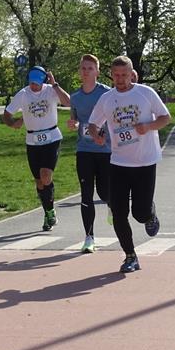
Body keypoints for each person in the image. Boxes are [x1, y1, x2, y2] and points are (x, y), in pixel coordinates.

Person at [88, 56, 171, 274]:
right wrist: (96, 135)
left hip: (145, 161)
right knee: (118, 212)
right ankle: (130, 256)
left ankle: (149, 213)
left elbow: (165, 117)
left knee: (140, 214)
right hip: (119, 163)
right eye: (116, 75)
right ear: (111, 75)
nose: (120, 79)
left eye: (124, 75)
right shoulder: (107, 99)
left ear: (131, 74)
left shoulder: (145, 93)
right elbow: (92, 124)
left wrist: (149, 126)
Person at [2, 65, 71, 232]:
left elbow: (68, 102)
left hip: (52, 137)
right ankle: (48, 212)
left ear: (43, 81)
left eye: (36, 83)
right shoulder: (23, 94)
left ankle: (50, 212)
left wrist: (55, 85)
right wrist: (13, 123)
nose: (33, 86)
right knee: (39, 181)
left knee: (46, 175)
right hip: (32, 141)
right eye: (31, 83)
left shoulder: (50, 90)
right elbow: (7, 114)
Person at [67, 54, 111, 252]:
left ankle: (111, 204)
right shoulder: (75, 97)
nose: (86, 72)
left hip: (105, 150)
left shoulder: (106, 94)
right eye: (83, 68)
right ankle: (89, 237)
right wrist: (74, 124)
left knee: (104, 192)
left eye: (90, 68)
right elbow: (76, 120)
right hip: (84, 150)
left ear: (97, 72)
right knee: (86, 194)